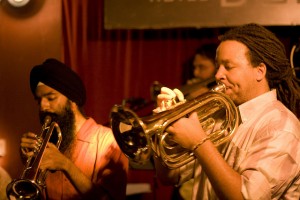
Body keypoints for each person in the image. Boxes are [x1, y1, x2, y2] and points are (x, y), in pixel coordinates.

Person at [153, 23, 300, 199]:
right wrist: (164, 127)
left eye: (228, 67)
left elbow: (246, 196)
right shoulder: (219, 116)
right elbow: (169, 176)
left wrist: (199, 142)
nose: (218, 75)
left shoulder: (281, 128)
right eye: (218, 66)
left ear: (259, 71)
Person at [18, 58, 128, 200]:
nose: (42, 106)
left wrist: (65, 165)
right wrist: (29, 166)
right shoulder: (48, 143)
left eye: (50, 98)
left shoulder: (109, 142)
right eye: (39, 100)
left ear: (72, 100)